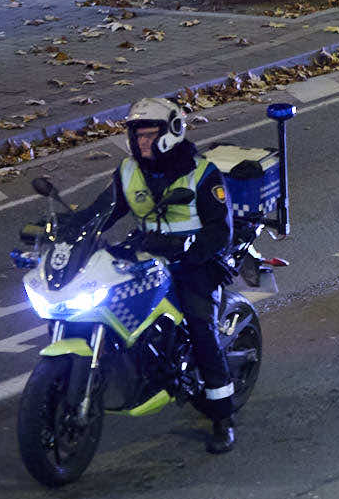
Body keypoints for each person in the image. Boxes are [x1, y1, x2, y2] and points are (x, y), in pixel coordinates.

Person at [96, 97, 238, 453]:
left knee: (202, 328)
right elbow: (102, 213)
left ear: (172, 132)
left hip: (195, 262)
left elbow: (221, 230)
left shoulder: (202, 173)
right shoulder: (129, 171)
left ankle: (223, 417)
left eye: (149, 135)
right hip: (149, 257)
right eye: (137, 135)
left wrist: (190, 249)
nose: (142, 142)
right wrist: (65, 230)